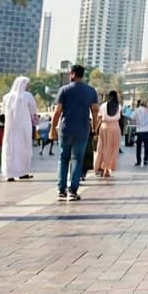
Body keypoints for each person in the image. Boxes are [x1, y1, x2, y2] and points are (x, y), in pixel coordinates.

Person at [48, 64, 100, 201]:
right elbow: (95, 110)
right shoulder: (91, 91)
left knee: (63, 159)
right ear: (83, 75)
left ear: (72, 73)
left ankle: (61, 190)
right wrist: (94, 127)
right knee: (77, 159)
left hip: (65, 129)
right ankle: (73, 191)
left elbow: (57, 111)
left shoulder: (64, 90)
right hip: (82, 129)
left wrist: (52, 128)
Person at [0, 76, 38, 183]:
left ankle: (10, 174)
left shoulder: (6, 97)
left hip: (10, 128)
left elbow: (3, 112)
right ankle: (22, 172)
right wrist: (34, 121)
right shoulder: (27, 96)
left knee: (10, 149)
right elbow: (33, 109)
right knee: (24, 149)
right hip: (24, 127)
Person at [94, 90, 123, 178]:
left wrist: (95, 129)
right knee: (113, 149)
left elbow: (99, 118)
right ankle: (107, 169)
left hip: (104, 127)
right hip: (115, 128)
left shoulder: (103, 105)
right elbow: (121, 119)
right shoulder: (119, 106)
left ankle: (100, 167)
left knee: (102, 147)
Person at [131, 99, 148, 167]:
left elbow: (132, 118)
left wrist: (136, 123)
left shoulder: (137, 110)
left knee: (138, 146)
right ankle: (146, 160)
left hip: (139, 130)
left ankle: (138, 161)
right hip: (147, 130)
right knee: (147, 146)